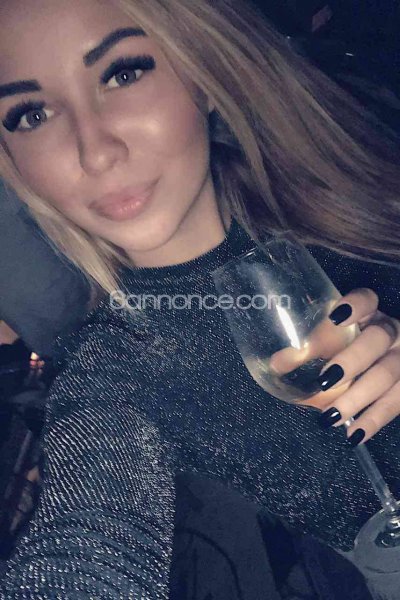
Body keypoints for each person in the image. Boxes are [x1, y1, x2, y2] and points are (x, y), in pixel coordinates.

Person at [0, 0, 399, 597]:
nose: (95, 151)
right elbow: (88, 544)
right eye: (31, 115)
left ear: (202, 79)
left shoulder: (357, 208)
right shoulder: (112, 374)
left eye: (123, 73)